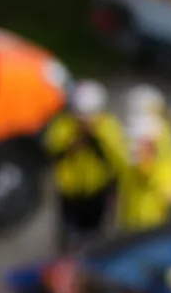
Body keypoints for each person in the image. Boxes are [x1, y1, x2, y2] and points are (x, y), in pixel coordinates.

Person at [44, 81, 124, 250]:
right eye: (79, 114)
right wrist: (73, 144)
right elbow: (51, 155)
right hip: (69, 192)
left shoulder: (108, 127)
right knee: (68, 234)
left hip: (97, 190)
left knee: (94, 234)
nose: (83, 119)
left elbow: (116, 160)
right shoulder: (63, 125)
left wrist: (94, 140)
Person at [116, 116, 171, 233]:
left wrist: (149, 166)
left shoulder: (165, 166)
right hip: (130, 226)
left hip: (153, 230)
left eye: (138, 142)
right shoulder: (130, 164)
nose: (133, 146)